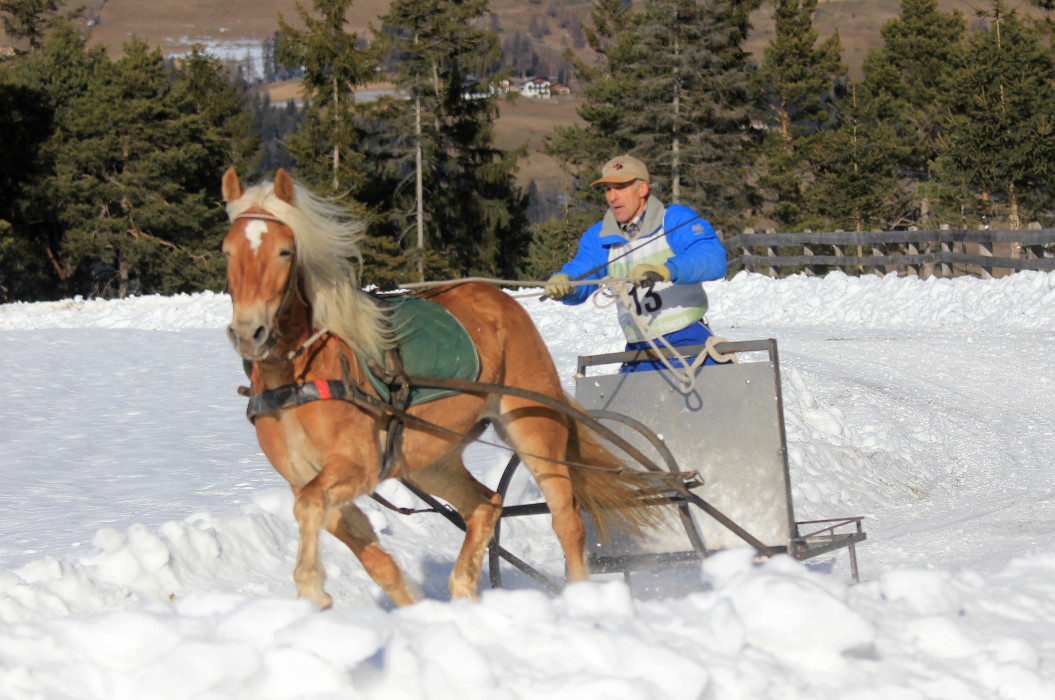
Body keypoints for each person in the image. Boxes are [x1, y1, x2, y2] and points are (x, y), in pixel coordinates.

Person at [544, 154, 727, 372]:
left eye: (620, 187)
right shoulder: (598, 236)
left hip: (688, 342)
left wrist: (666, 270)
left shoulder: (674, 219)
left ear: (642, 189)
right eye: (608, 189)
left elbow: (713, 258)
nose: (612, 197)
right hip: (639, 352)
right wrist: (566, 283)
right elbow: (582, 271)